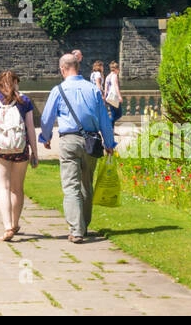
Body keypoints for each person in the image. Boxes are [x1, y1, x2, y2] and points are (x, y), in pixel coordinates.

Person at [39, 51, 115, 243]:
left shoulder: (58, 90)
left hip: (69, 141)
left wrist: (45, 137)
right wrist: (109, 142)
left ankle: (76, 229)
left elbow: (47, 118)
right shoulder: (93, 90)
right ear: (78, 68)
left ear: (63, 69)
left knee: (71, 185)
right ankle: (84, 225)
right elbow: (104, 119)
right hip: (91, 141)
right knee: (86, 185)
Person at [0, 70, 39, 242]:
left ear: (0, 83)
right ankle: (15, 224)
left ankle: (7, 226)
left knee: (3, 187)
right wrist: (35, 152)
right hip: (20, 149)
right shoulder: (24, 101)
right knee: (17, 189)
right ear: (16, 82)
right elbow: (30, 128)